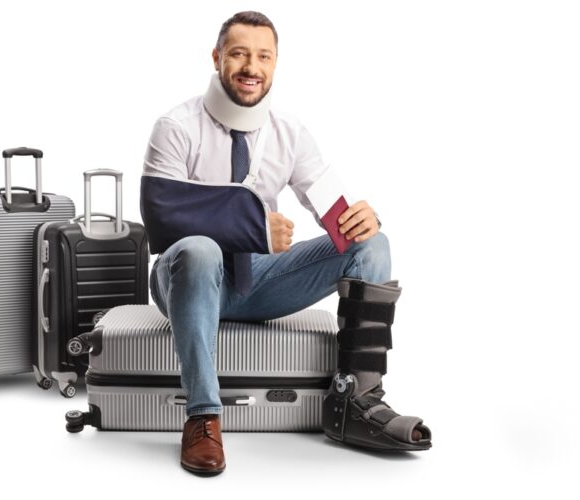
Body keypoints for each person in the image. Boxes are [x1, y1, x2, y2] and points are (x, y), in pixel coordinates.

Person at [140, 11, 432, 476]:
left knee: (373, 246)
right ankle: (202, 416)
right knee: (200, 250)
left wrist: (361, 219)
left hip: (257, 281)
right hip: (186, 282)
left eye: (263, 57)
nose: (250, 67)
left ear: (275, 65)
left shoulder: (289, 133)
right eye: (238, 54)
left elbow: (334, 210)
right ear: (217, 59)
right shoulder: (176, 126)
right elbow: (162, 219)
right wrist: (254, 227)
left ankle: (355, 402)